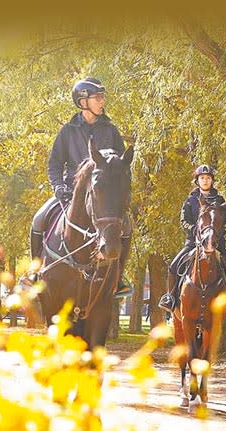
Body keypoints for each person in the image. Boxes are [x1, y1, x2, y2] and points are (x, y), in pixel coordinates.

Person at [29, 78, 131, 292]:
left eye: (103, 97)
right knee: (38, 219)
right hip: (70, 194)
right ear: (83, 101)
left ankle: (118, 279)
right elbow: (54, 164)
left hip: (101, 198)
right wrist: (58, 188)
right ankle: (35, 271)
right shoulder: (67, 131)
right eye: (98, 97)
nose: (102, 101)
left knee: (127, 226)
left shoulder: (111, 131)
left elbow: (121, 166)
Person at [158, 165, 226, 312]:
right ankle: (170, 298)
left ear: (212, 180)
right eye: (202, 178)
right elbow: (183, 221)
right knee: (173, 266)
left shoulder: (220, 200)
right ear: (197, 181)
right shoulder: (190, 200)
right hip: (193, 243)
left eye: (208, 178)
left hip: (216, 243)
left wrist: (216, 235)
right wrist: (194, 230)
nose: (205, 180)